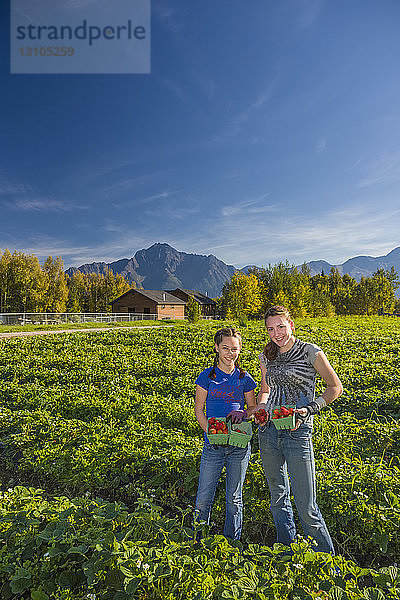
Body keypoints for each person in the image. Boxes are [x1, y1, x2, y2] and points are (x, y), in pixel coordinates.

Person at [255, 305, 343, 554]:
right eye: (270, 329)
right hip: (269, 431)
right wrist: (262, 409)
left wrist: (311, 409)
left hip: (298, 432)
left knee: (306, 505)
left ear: (291, 325)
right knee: (278, 498)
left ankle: (328, 564)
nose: (276, 333)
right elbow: (265, 390)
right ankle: (287, 555)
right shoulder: (266, 356)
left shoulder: (310, 352)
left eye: (281, 326)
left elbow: (335, 387)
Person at [194, 327, 257, 540]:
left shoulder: (244, 378)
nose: (230, 353)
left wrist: (244, 413)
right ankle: (198, 540)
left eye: (235, 349)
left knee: (234, 498)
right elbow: (198, 409)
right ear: (216, 348)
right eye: (225, 348)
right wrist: (211, 432)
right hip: (213, 446)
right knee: (204, 497)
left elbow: (252, 409)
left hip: (239, 446)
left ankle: (232, 544)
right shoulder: (207, 376)